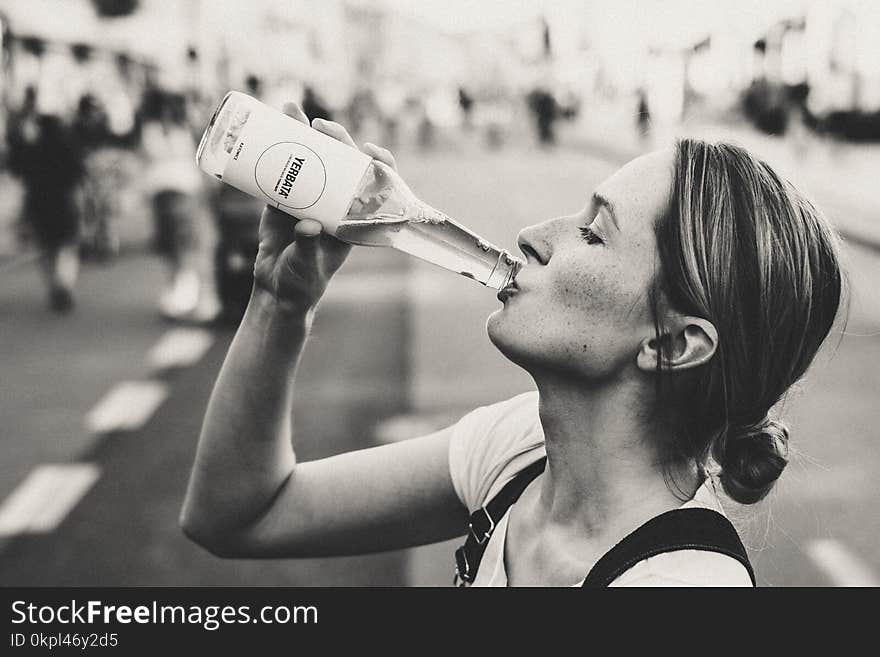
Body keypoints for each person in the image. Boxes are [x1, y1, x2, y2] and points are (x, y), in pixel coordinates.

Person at [180, 102, 844, 586]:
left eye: (591, 232)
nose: (531, 234)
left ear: (672, 343)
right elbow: (238, 514)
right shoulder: (524, 450)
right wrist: (281, 299)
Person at [7, 101, 87, 313]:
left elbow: (16, 168)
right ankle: (64, 283)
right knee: (67, 245)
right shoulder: (68, 145)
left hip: (37, 201)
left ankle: (54, 284)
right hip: (63, 199)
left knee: (46, 247)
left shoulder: (32, 147)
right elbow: (79, 173)